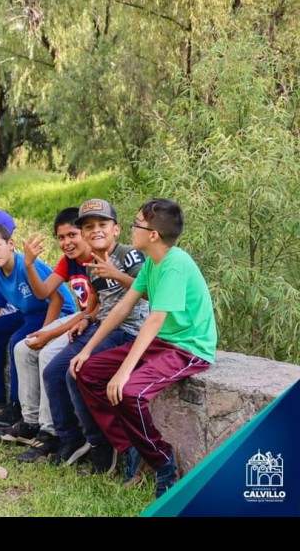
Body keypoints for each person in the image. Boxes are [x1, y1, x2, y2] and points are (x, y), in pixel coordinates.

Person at [71, 198, 217, 498]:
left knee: (130, 392)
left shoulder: (175, 265)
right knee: (88, 371)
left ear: (153, 234)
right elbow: (122, 308)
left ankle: (163, 461)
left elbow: (154, 319)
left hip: (189, 348)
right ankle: (129, 448)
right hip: (164, 342)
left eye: (136, 224)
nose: (131, 228)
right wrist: (87, 350)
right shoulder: (153, 261)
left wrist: (124, 372)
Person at [37, 199, 148, 468]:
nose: (96, 230)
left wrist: (116, 274)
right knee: (53, 372)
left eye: (102, 224)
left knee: (76, 373)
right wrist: (86, 318)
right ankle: (70, 439)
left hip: (128, 330)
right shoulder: (91, 264)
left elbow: (149, 291)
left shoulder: (129, 255)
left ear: (116, 229)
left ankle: (101, 443)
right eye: (89, 227)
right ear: (84, 234)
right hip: (102, 327)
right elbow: (98, 300)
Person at [0, 207, 96, 457]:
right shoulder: (69, 261)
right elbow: (43, 292)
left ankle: (49, 430)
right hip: (83, 316)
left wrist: (50, 334)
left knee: (47, 352)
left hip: (96, 319)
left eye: (72, 235)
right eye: (61, 237)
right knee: (23, 347)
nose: (67, 242)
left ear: (85, 232)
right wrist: (29, 264)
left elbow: (96, 310)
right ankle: (30, 422)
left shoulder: (98, 258)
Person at [0, 223, 76, 424]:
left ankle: (16, 405)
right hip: (28, 313)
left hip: (55, 312)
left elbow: (57, 299)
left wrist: (46, 331)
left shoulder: (26, 265)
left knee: (17, 341)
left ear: (11, 244)